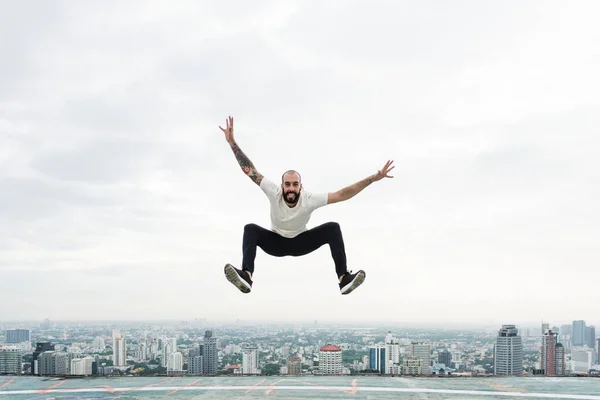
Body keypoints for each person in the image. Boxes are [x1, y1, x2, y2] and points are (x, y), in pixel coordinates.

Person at [218, 116, 394, 295]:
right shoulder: (273, 191)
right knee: (250, 229)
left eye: (295, 184)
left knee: (333, 228)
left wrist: (373, 178)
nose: (291, 188)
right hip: (275, 242)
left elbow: (342, 194)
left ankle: (343, 279)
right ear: (282, 186)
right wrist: (232, 142)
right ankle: (246, 276)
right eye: (288, 184)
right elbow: (250, 171)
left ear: (300, 187)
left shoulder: (308, 199)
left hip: (301, 242)